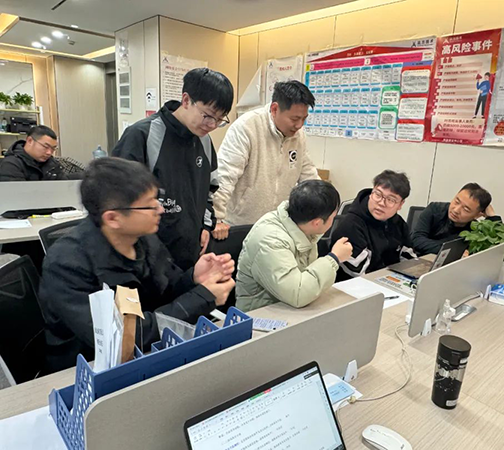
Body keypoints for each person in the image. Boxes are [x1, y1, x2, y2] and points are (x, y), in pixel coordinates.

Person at [38, 158, 235, 373]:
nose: (160, 209)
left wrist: (193, 278)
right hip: (86, 368)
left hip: (148, 353)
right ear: (113, 218)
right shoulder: (67, 265)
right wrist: (202, 298)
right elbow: (123, 337)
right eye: (149, 205)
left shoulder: (143, 238)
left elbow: (165, 292)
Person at [112, 68, 234, 270]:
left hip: (189, 255)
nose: (212, 125)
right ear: (186, 100)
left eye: (220, 119)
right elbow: (118, 199)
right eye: (208, 116)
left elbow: (209, 191)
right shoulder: (142, 135)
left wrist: (205, 226)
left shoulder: (204, 141)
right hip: (147, 259)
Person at [212, 81, 320, 241]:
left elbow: (308, 174)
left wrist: (323, 206)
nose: (299, 125)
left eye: (304, 119)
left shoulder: (298, 134)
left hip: (277, 227)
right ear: (274, 109)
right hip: (242, 225)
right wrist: (216, 218)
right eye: (295, 118)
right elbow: (224, 177)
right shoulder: (246, 127)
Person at [235, 180, 353, 312]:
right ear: (317, 222)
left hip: (290, 308)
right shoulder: (271, 241)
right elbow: (297, 294)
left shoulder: (302, 225)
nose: (334, 219)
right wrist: (334, 258)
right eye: (333, 216)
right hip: (261, 315)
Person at [331, 170, 412, 281]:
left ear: (400, 204)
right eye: (378, 195)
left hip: (388, 281)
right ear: (371, 193)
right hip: (353, 285)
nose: (381, 203)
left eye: (391, 200)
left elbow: (409, 259)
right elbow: (359, 274)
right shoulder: (351, 225)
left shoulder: (399, 223)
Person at [412, 183, 501, 256]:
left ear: (477, 215)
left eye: (466, 209)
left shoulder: (475, 230)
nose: (456, 210)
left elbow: (497, 248)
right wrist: (454, 252)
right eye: (456, 201)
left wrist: (492, 217)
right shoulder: (434, 209)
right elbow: (417, 239)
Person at [0, 125, 79, 181]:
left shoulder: (52, 163)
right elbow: (17, 195)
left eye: (53, 148)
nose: (49, 152)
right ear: (30, 141)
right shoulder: (11, 164)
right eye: (45, 147)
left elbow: (63, 183)